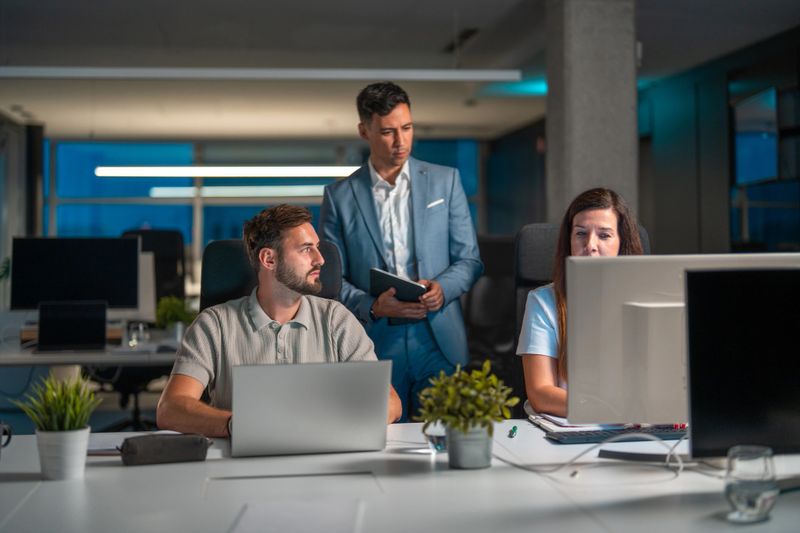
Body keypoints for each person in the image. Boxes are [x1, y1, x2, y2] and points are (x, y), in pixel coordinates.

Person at [157, 204, 402, 437]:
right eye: (306, 249)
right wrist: (241, 425)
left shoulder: (337, 319)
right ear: (269, 260)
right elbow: (171, 408)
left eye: (317, 247)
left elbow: (390, 403)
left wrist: (330, 423)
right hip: (238, 468)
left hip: (324, 462)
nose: (320, 259)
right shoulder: (214, 324)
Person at [320, 81, 483, 421]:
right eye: (388, 132)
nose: (401, 142)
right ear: (364, 131)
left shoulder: (446, 181)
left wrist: (444, 289)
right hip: (376, 342)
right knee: (382, 444)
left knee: (446, 444)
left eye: (407, 128)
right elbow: (331, 280)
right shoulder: (339, 197)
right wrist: (372, 305)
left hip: (439, 338)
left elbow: (469, 259)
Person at [516, 188, 643, 417]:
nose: (591, 245)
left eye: (604, 235)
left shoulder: (646, 301)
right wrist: (610, 410)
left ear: (622, 243)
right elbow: (540, 393)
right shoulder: (544, 302)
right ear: (569, 241)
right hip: (565, 429)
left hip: (633, 428)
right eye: (581, 234)